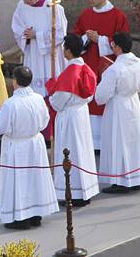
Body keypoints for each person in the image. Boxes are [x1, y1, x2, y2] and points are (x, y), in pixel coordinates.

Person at [0, 66, 58, 230]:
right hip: (35, 143)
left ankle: (20, 218)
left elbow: (0, 128)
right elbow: (45, 121)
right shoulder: (38, 99)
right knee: (34, 179)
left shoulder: (10, 104)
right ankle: (36, 214)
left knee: (20, 181)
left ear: (15, 81)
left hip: (17, 146)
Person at [73, 0, 129, 151]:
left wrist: (102, 40)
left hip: (108, 67)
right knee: (90, 100)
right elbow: (76, 36)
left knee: (105, 100)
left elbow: (124, 42)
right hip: (89, 65)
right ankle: (91, 143)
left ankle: (106, 142)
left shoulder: (118, 16)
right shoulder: (85, 15)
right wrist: (85, 39)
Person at [11, 0, 67, 143]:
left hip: (50, 57)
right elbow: (16, 26)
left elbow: (60, 33)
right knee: (33, 92)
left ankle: (51, 133)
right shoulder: (22, 5)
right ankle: (35, 129)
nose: (24, 1)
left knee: (49, 93)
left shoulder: (53, 7)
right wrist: (25, 34)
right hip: (32, 55)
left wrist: (38, 36)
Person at [46, 34, 99, 207]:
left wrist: (52, 89)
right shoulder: (86, 69)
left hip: (69, 117)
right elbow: (90, 95)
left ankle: (73, 192)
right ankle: (86, 190)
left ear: (67, 51)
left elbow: (58, 101)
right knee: (82, 151)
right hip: (82, 114)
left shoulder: (70, 74)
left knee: (71, 152)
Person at [95, 32, 140, 193]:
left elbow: (101, 96)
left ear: (117, 47)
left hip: (117, 107)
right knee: (133, 142)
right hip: (133, 103)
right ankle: (135, 178)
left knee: (117, 142)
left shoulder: (114, 69)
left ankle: (119, 182)